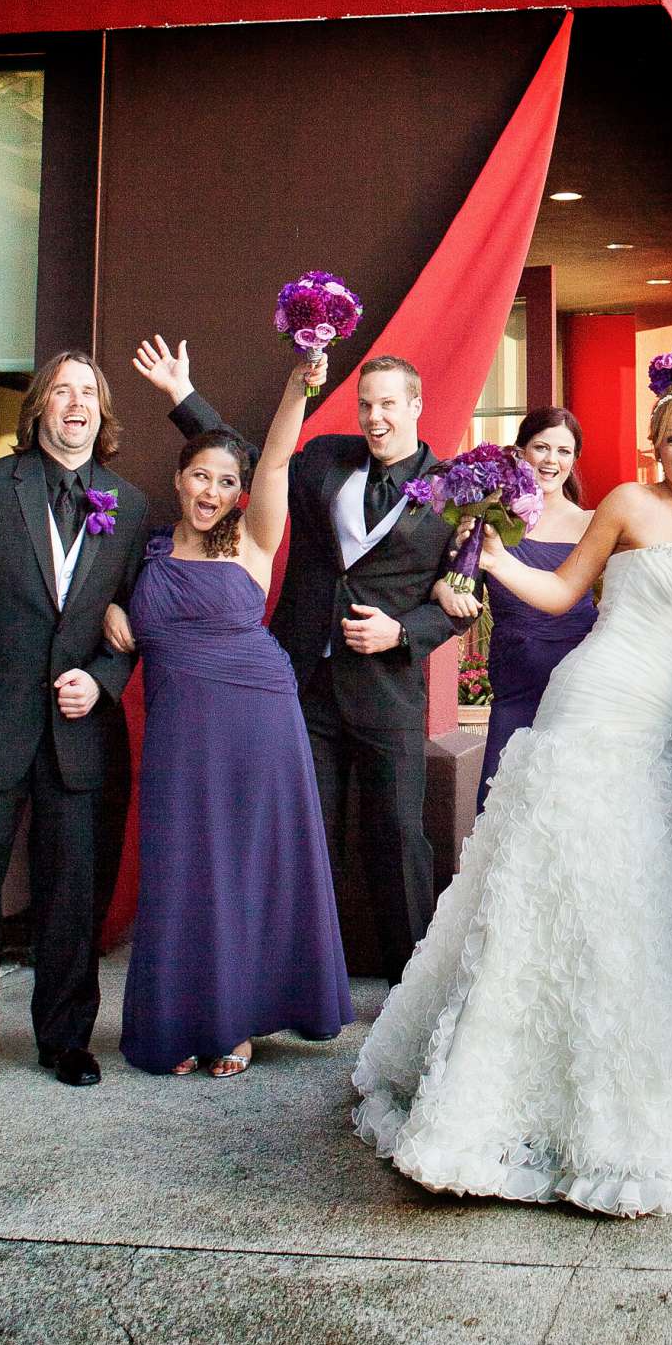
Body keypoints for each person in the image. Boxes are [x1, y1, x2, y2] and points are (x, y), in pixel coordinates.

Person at [353, 367, 672, 1216]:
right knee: (565, 891)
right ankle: (509, 1100)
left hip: (661, 736)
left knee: (640, 904)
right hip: (591, 708)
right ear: (652, 448)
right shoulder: (625, 504)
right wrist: (490, 557)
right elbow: (561, 594)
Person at [134, 336, 458, 984]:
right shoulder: (329, 459)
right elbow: (259, 464)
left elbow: (460, 599)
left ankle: (414, 987)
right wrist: (181, 396)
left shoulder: (453, 493)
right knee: (295, 840)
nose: (374, 418)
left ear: (417, 406)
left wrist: (404, 631)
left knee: (397, 839)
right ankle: (296, 981)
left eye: (388, 405)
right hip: (297, 684)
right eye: (366, 404)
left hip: (387, 690)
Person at [103, 353, 350, 1076]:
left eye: (224, 481)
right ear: (178, 481)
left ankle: (236, 1026)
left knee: (245, 867)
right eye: (199, 477)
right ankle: (184, 1020)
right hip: (182, 734)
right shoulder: (142, 554)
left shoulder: (250, 542)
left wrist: (297, 379)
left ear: (239, 493)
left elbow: (274, 457)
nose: (210, 490)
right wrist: (115, 609)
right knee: (185, 871)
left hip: (258, 723)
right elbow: (99, 603)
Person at [0, 352, 148, 1103]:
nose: (76, 403)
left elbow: (141, 621)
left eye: (89, 392)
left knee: (71, 895)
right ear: (39, 410)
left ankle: (66, 1040)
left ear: (102, 412)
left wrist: (106, 679)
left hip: (78, 731)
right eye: (62, 390)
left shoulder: (129, 503)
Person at [433, 406, 596, 807]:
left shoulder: (595, 523)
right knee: (503, 805)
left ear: (574, 459)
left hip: (580, 686)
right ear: (521, 451)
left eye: (563, 451)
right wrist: (442, 586)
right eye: (541, 447)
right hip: (516, 685)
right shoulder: (492, 519)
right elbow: (458, 583)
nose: (551, 460)